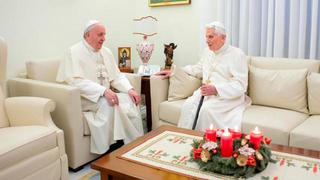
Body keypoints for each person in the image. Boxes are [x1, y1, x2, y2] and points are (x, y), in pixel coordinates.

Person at [56, 20, 144, 154]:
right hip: (85, 98)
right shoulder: (73, 52)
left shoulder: (106, 52)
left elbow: (116, 76)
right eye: (100, 35)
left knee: (130, 99)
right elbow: (75, 81)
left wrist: (130, 89)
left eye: (104, 34)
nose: (104, 38)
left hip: (106, 95)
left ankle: (135, 143)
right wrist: (103, 91)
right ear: (87, 35)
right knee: (110, 103)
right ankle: (111, 147)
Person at [156, 21, 251, 131]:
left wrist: (216, 89)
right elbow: (198, 69)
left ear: (223, 38)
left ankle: (206, 144)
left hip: (227, 96)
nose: (207, 40)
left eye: (211, 37)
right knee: (188, 106)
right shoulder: (207, 52)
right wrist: (174, 71)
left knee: (206, 109)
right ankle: (186, 138)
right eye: (206, 37)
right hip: (206, 93)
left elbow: (241, 85)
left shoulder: (237, 54)